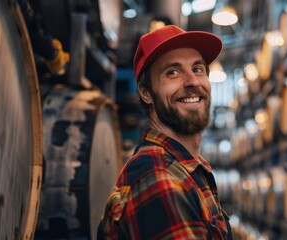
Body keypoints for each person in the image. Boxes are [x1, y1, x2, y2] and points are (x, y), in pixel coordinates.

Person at [97, 25, 232, 239]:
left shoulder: (186, 166)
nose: (193, 81)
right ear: (146, 93)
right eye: (173, 72)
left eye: (198, 69)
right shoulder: (160, 178)